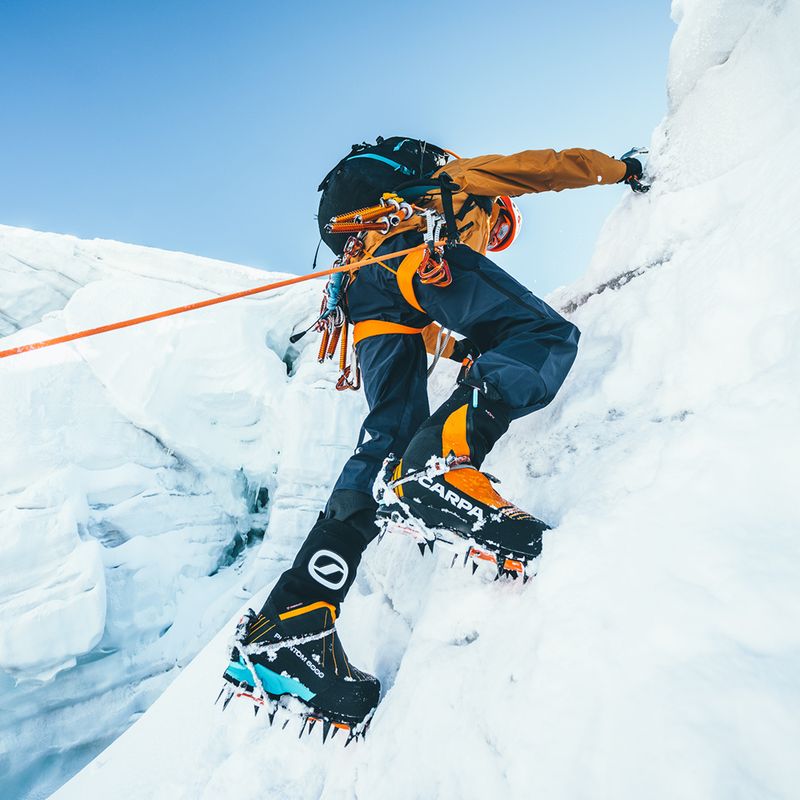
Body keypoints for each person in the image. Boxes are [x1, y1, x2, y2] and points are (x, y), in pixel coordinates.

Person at [220, 141, 645, 738]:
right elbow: (540, 168)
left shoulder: (363, 238)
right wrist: (623, 168)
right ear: (498, 214)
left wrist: (464, 347)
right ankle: (439, 467)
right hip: (411, 259)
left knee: (386, 439)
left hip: (366, 304)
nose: (492, 244)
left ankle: (291, 625)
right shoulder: (455, 186)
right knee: (543, 335)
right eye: (497, 232)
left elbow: (427, 330)